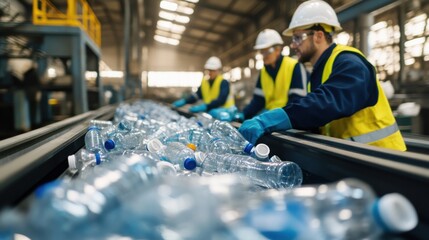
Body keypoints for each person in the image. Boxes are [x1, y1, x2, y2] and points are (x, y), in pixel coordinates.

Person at [238, 0, 406, 151]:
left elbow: (327, 102)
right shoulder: (319, 71)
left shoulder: (350, 62)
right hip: (356, 160)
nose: (294, 45)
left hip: (386, 161)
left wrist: (271, 119)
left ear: (318, 36)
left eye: (298, 38)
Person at [240, 29, 308, 120]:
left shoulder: (294, 66)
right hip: (271, 119)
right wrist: (242, 115)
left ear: (277, 50)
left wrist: (276, 117)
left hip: (289, 120)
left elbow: (297, 102)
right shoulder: (263, 71)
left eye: (266, 51)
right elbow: (258, 101)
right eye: (261, 52)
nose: (263, 55)